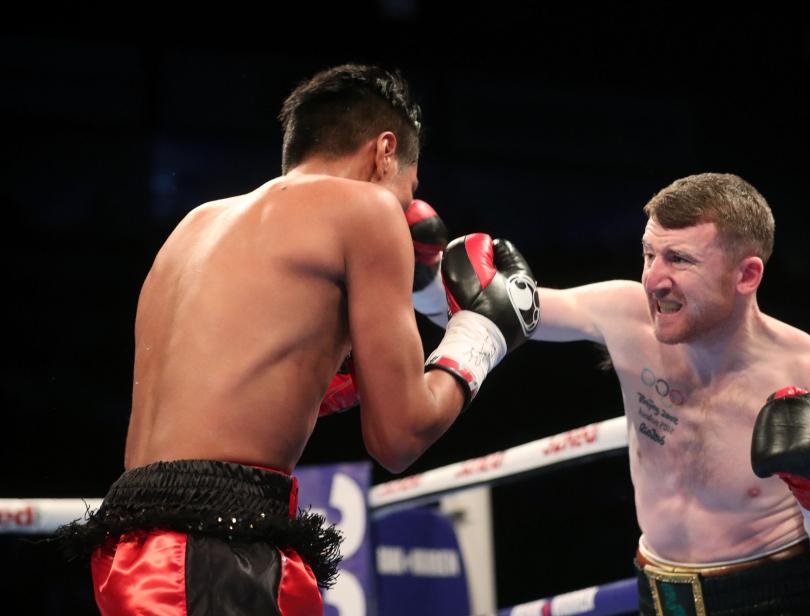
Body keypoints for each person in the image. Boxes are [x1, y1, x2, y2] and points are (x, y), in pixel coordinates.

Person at [55, 64, 539, 616]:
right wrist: (481, 335)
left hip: (135, 550)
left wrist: (355, 378)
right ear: (384, 151)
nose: (407, 204)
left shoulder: (195, 225)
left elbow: (235, 394)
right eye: (411, 185)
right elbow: (399, 436)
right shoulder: (369, 210)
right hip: (215, 552)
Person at [529, 173, 810, 614]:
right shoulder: (626, 318)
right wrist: (430, 280)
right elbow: (505, 311)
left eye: (679, 259)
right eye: (648, 254)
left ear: (746, 275)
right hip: (657, 602)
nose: (653, 280)